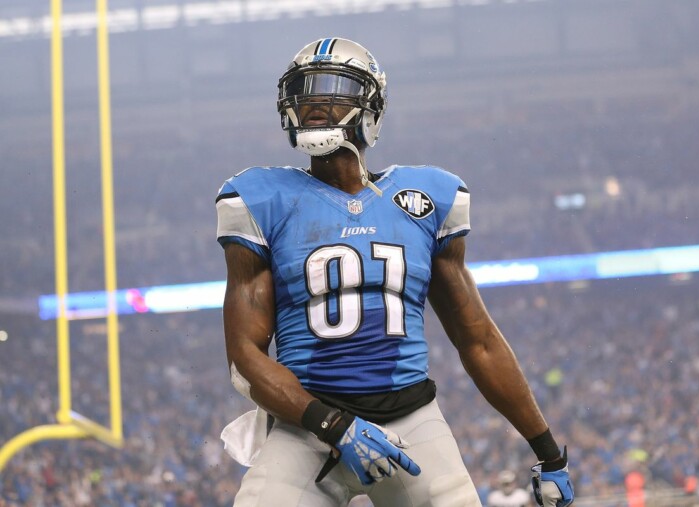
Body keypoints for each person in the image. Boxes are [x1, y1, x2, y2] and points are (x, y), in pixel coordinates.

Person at [215, 37, 574, 507]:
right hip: (306, 424)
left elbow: (478, 341)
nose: (315, 104)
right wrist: (332, 424)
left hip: (412, 420)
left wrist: (548, 452)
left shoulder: (426, 198)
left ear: (372, 108)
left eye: (334, 90)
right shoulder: (261, 198)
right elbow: (245, 353)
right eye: (305, 92)